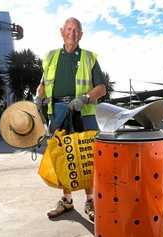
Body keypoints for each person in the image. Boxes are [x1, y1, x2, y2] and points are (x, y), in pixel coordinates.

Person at [35, 17, 106, 221]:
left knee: (85, 157)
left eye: (76, 30)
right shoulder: (50, 57)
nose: (72, 33)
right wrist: (39, 97)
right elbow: (42, 84)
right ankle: (66, 200)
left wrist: (85, 98)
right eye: (68, 29)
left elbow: (101, 88)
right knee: (63, 158)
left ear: (81, 35)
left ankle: (90, 200)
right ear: (61, 32)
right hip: (57, 112)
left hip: (83, 112)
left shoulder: (89, 58)